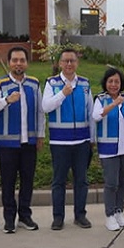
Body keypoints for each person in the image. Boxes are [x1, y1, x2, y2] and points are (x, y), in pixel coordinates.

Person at [0, 46, 44, 234]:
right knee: (8, 182)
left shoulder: (34, 84)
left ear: (27, 63)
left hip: (29, 142)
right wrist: (7, 100)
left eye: (22, 60)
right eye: (15, 60)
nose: (18, 64)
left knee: (27, 181)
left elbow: (40, 112)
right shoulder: (0, 84)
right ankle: (9, 219)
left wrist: (40, 136)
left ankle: (25, 216)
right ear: (9, 63)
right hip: (7, 144)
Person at [42, 48, 94, 230]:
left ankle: (80, 215)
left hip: (81, 141)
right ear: (60, 64)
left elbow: (91, 112)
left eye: (72, 61)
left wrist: (92, 139)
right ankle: (58, 217)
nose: (69, 64)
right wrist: (63, 93)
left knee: (81, 180)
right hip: (60, 142)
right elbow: (46, 107)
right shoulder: (52, 83)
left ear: (77, 63)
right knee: (59, 181)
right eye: (66, 61)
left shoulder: (85, 84)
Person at [92, 67, 124, 231]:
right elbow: (96, 116)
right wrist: (113, 104)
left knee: (122, 182)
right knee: (111, 183)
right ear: (105, 83)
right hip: (108, 148)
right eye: (110, 81)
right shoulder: (100, 99)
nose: (114, 85)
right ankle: (109, 215)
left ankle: (119, 211)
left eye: (117, 81)